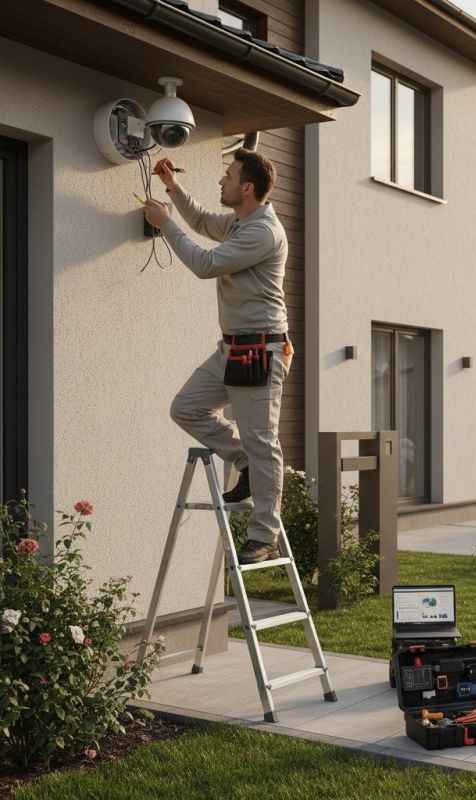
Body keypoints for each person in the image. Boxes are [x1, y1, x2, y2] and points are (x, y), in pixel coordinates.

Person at [144, 149, 292, 565]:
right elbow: (204, 223)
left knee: (263, 442)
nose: (221, 181)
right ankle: (242, 460)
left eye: (227, 176)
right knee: (186, 407)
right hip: (232, 347)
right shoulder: (239, 222)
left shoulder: (263, 231)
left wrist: (164, 224)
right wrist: (173, 187)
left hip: (260, 349)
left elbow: (206, 264)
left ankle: (264, 537)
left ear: (247, 188)